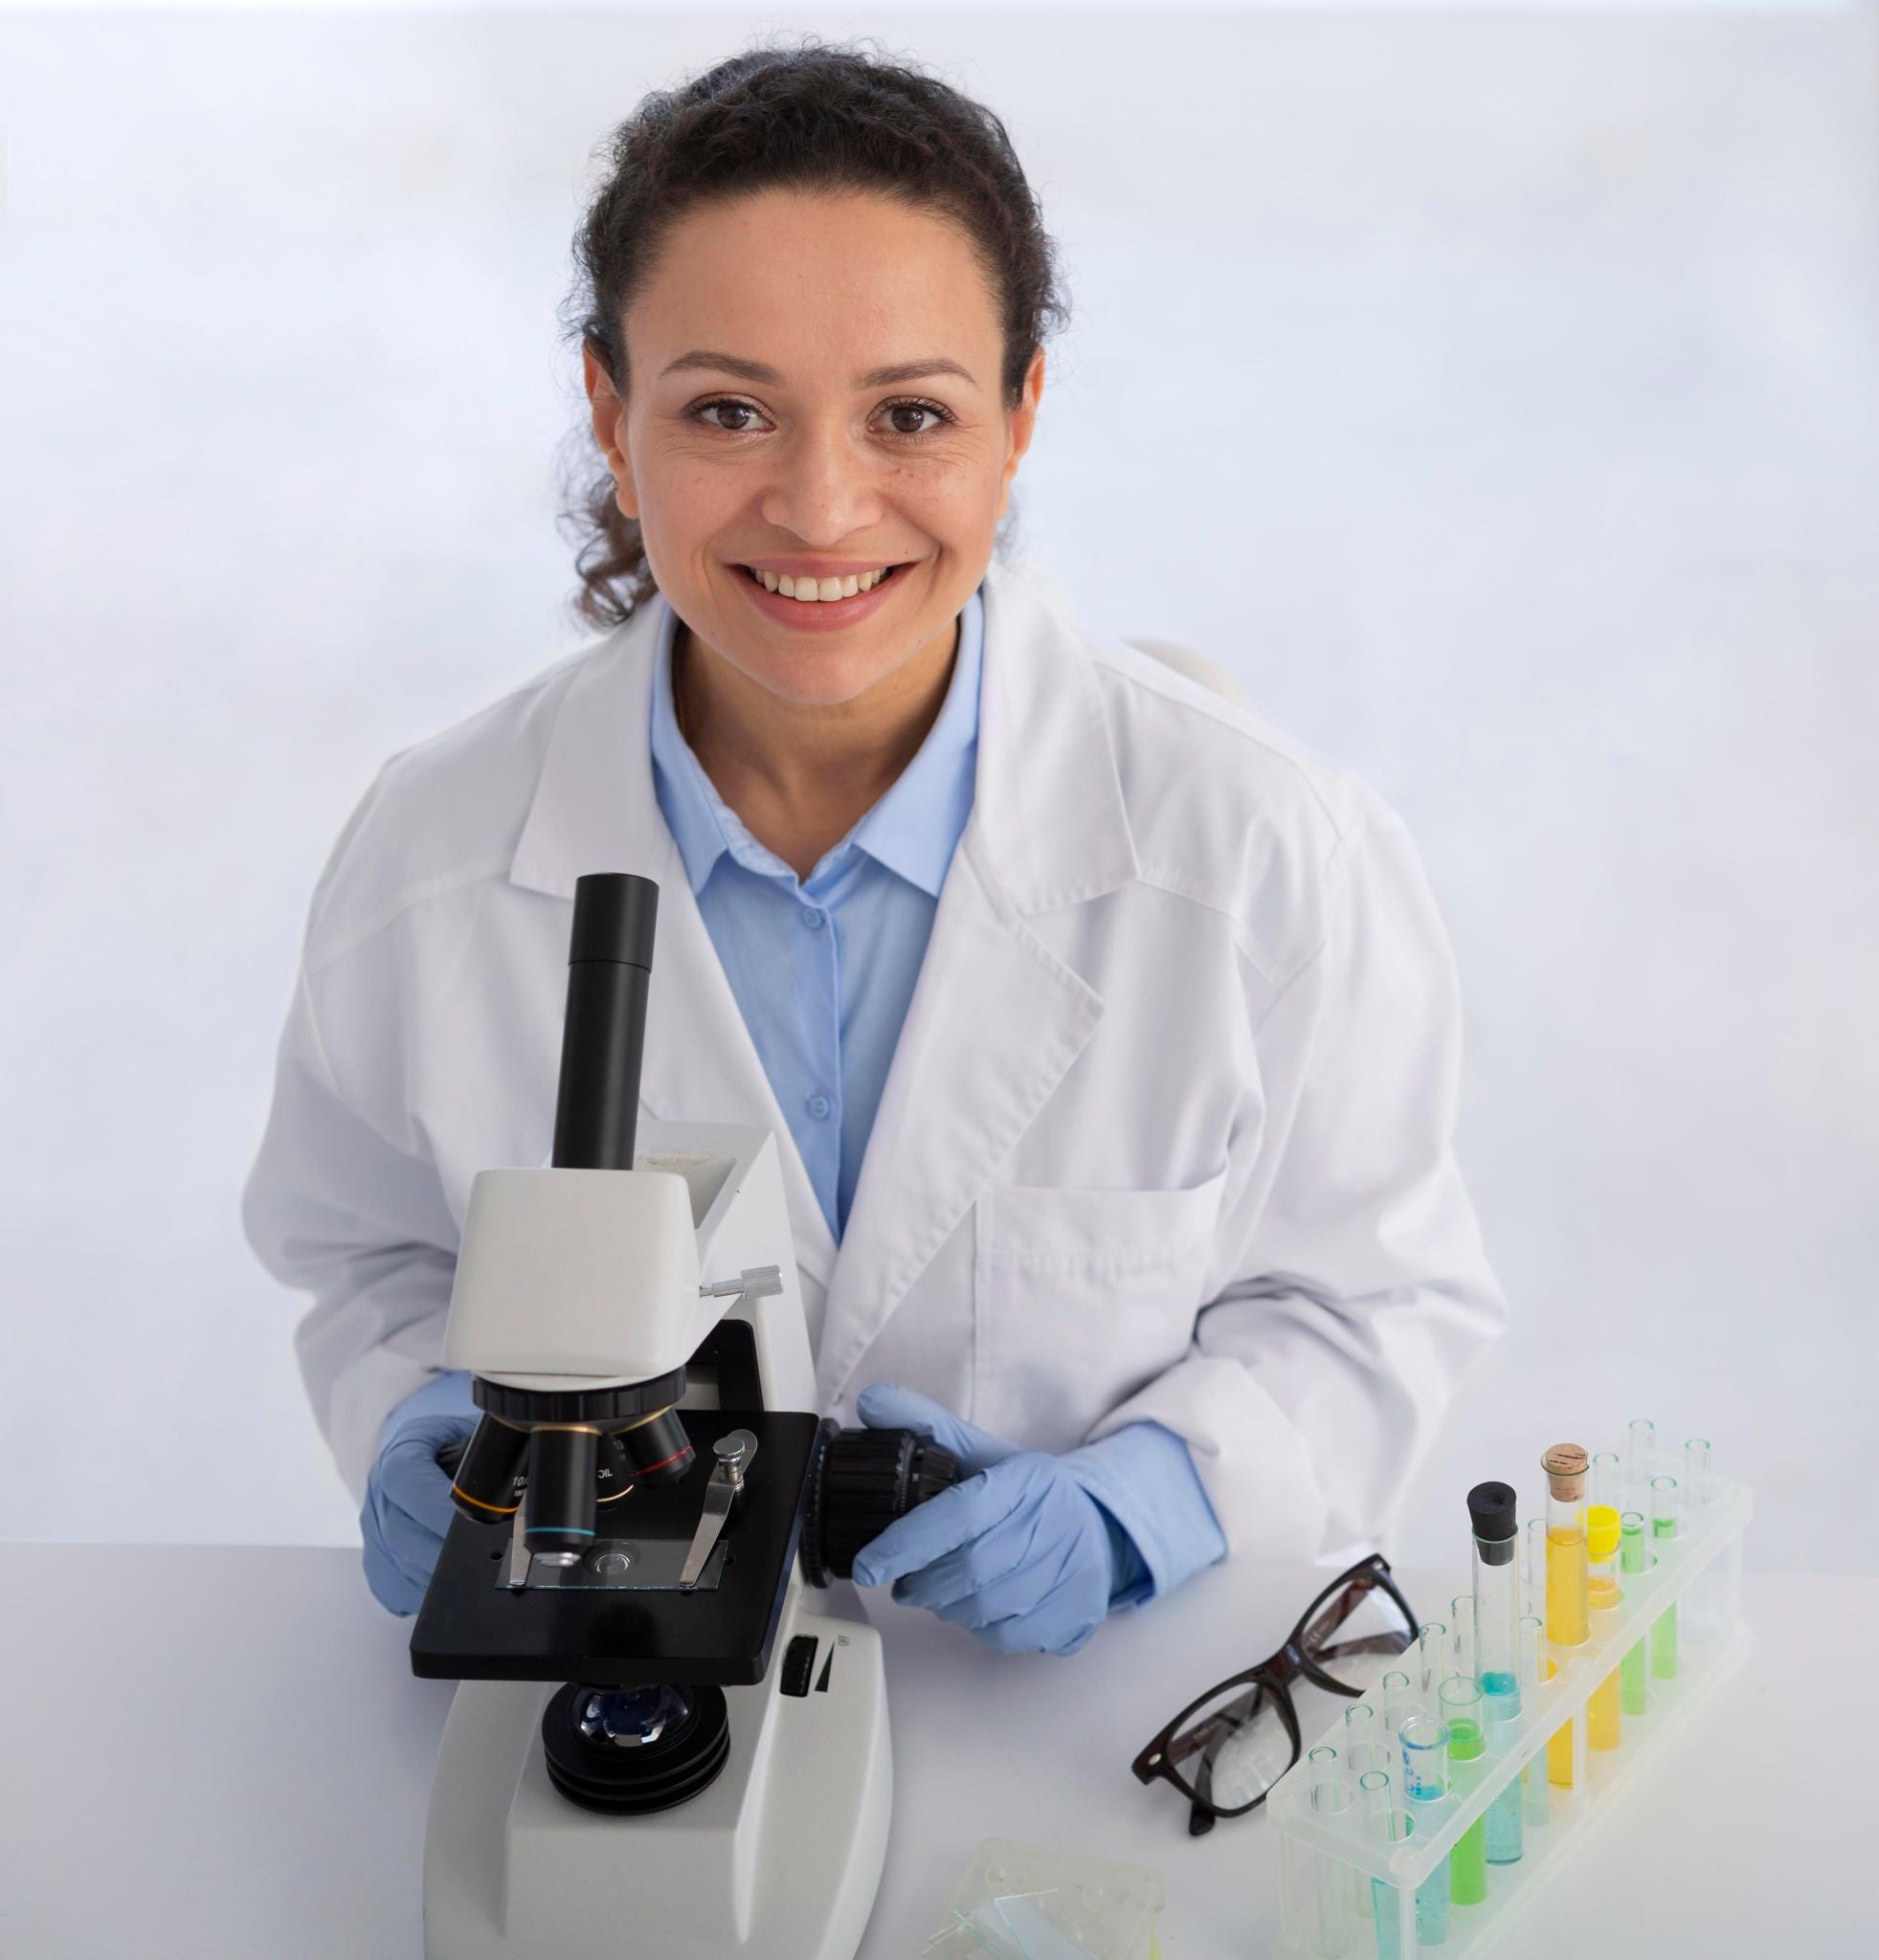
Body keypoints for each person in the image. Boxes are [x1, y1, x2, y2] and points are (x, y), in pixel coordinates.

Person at [241, 42, 1507, 1659]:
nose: (824, 509)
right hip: (615, 1706)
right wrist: (421, 1413)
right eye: (728, 411)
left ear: (1020, 415)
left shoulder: (1259, 852)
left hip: (1093, 1733)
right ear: (611, 412)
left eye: (909, 413)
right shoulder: (434, 858)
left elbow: (1374, 1299)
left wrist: (1148, 1505)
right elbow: (371, 1254)